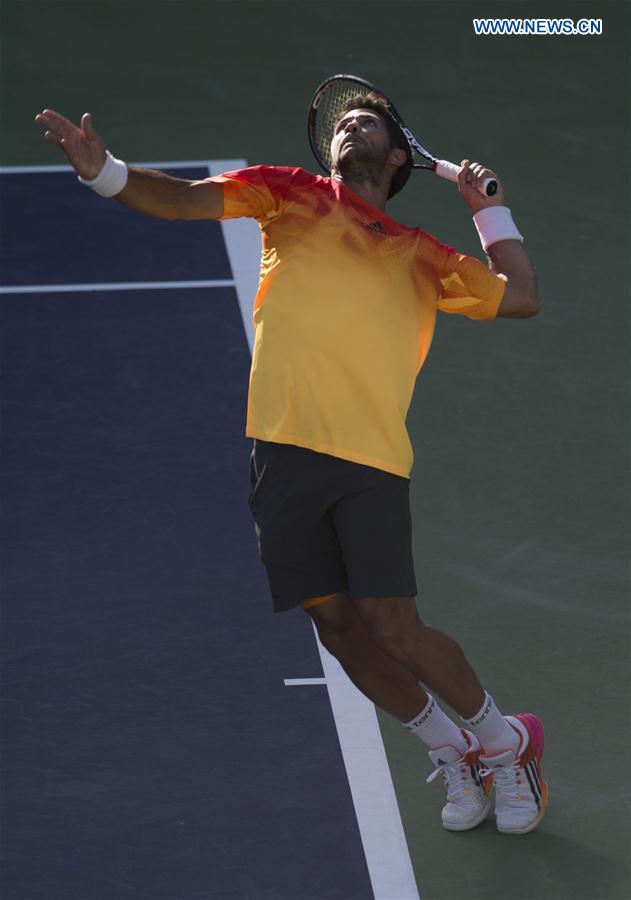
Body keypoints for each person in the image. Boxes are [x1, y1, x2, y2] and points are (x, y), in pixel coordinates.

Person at [35, 95, 547, 836]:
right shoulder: (288, 194)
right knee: (336, 628)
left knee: (393, 626)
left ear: (399, 155)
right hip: (279, 451)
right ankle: (450, 749)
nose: (348, 127)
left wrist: (486, 210)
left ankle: (506, 743)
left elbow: (522, 297)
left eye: (365, 122)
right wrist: (105, 173)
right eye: (340, 122)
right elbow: (180, 200)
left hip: (368, 458)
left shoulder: (420, 253)